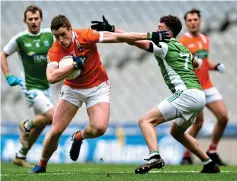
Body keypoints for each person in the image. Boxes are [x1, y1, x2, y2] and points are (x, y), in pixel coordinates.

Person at [31, 14, 170, 173]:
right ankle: (41, 165)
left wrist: (150, 35)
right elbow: (51, 77)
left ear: (71, 29)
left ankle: (78, 137)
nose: (61, 39)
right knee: (55, 131)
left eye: (63, 34)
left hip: (97, 87)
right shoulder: (55, 50)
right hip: (72, 90)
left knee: (99, 127)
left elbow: (118, 38)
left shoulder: (85, 36)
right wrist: (72, 66)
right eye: (57, 36)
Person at [90, 15, 220, 174]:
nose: (157, 30)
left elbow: (134, 40)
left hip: (186, 94)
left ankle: (154, 156)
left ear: (169, 33)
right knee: (176, 132)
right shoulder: (183, 47)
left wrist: (112, 29)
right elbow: (196, 63)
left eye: (160, 28)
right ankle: (209, 163)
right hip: (199, 95)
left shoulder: (163, 45)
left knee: (145, 121)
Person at [1, 5, 55, 168]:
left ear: (41, 19)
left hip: (46, 85)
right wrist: (8, 75)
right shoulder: (20, 39)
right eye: (30, 19)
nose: (33, 22)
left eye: (36, 18)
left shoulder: (49, 35)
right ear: (25, 21)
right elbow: (3, 54)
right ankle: (25, 126)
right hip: (30, 86)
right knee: (53, 116)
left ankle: (20, 155)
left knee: (42, 122)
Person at [179, 9, 228, 166]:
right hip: (194, 88)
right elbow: (182, 66)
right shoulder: (182, 42)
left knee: (223, 117)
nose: (193, 22)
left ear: (200, 21)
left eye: (195, 19)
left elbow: (204, 64)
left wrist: (215, 66)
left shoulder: (205, 39)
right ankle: (186, 155)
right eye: (190, 20)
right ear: (186, 23)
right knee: (198, 123)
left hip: (208, 86)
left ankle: (212, 151)